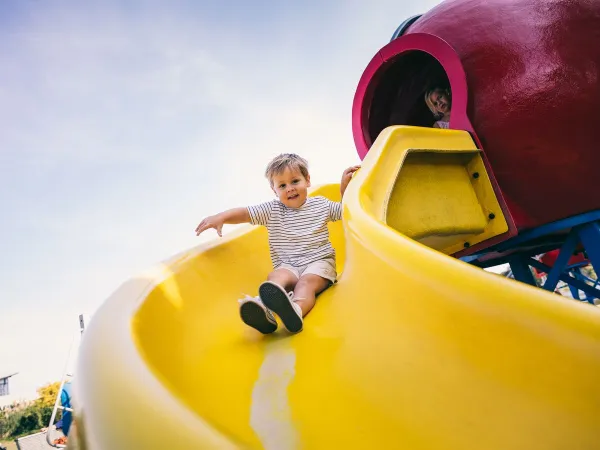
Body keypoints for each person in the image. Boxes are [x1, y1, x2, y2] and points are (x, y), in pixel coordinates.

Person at [195, 153, 360, 334]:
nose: (289, 188)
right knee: (276, 277)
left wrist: (344, 190)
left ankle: (296, 311)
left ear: (307, 180)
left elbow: (344, 211)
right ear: (274, 190)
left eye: (295, 181)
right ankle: (265, 308)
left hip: (318, 263)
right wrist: (221, 217)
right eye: (282, 185)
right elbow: (245, 213)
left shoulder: (321, 205)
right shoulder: (272, 210)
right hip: (289, 265)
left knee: (306, 284)